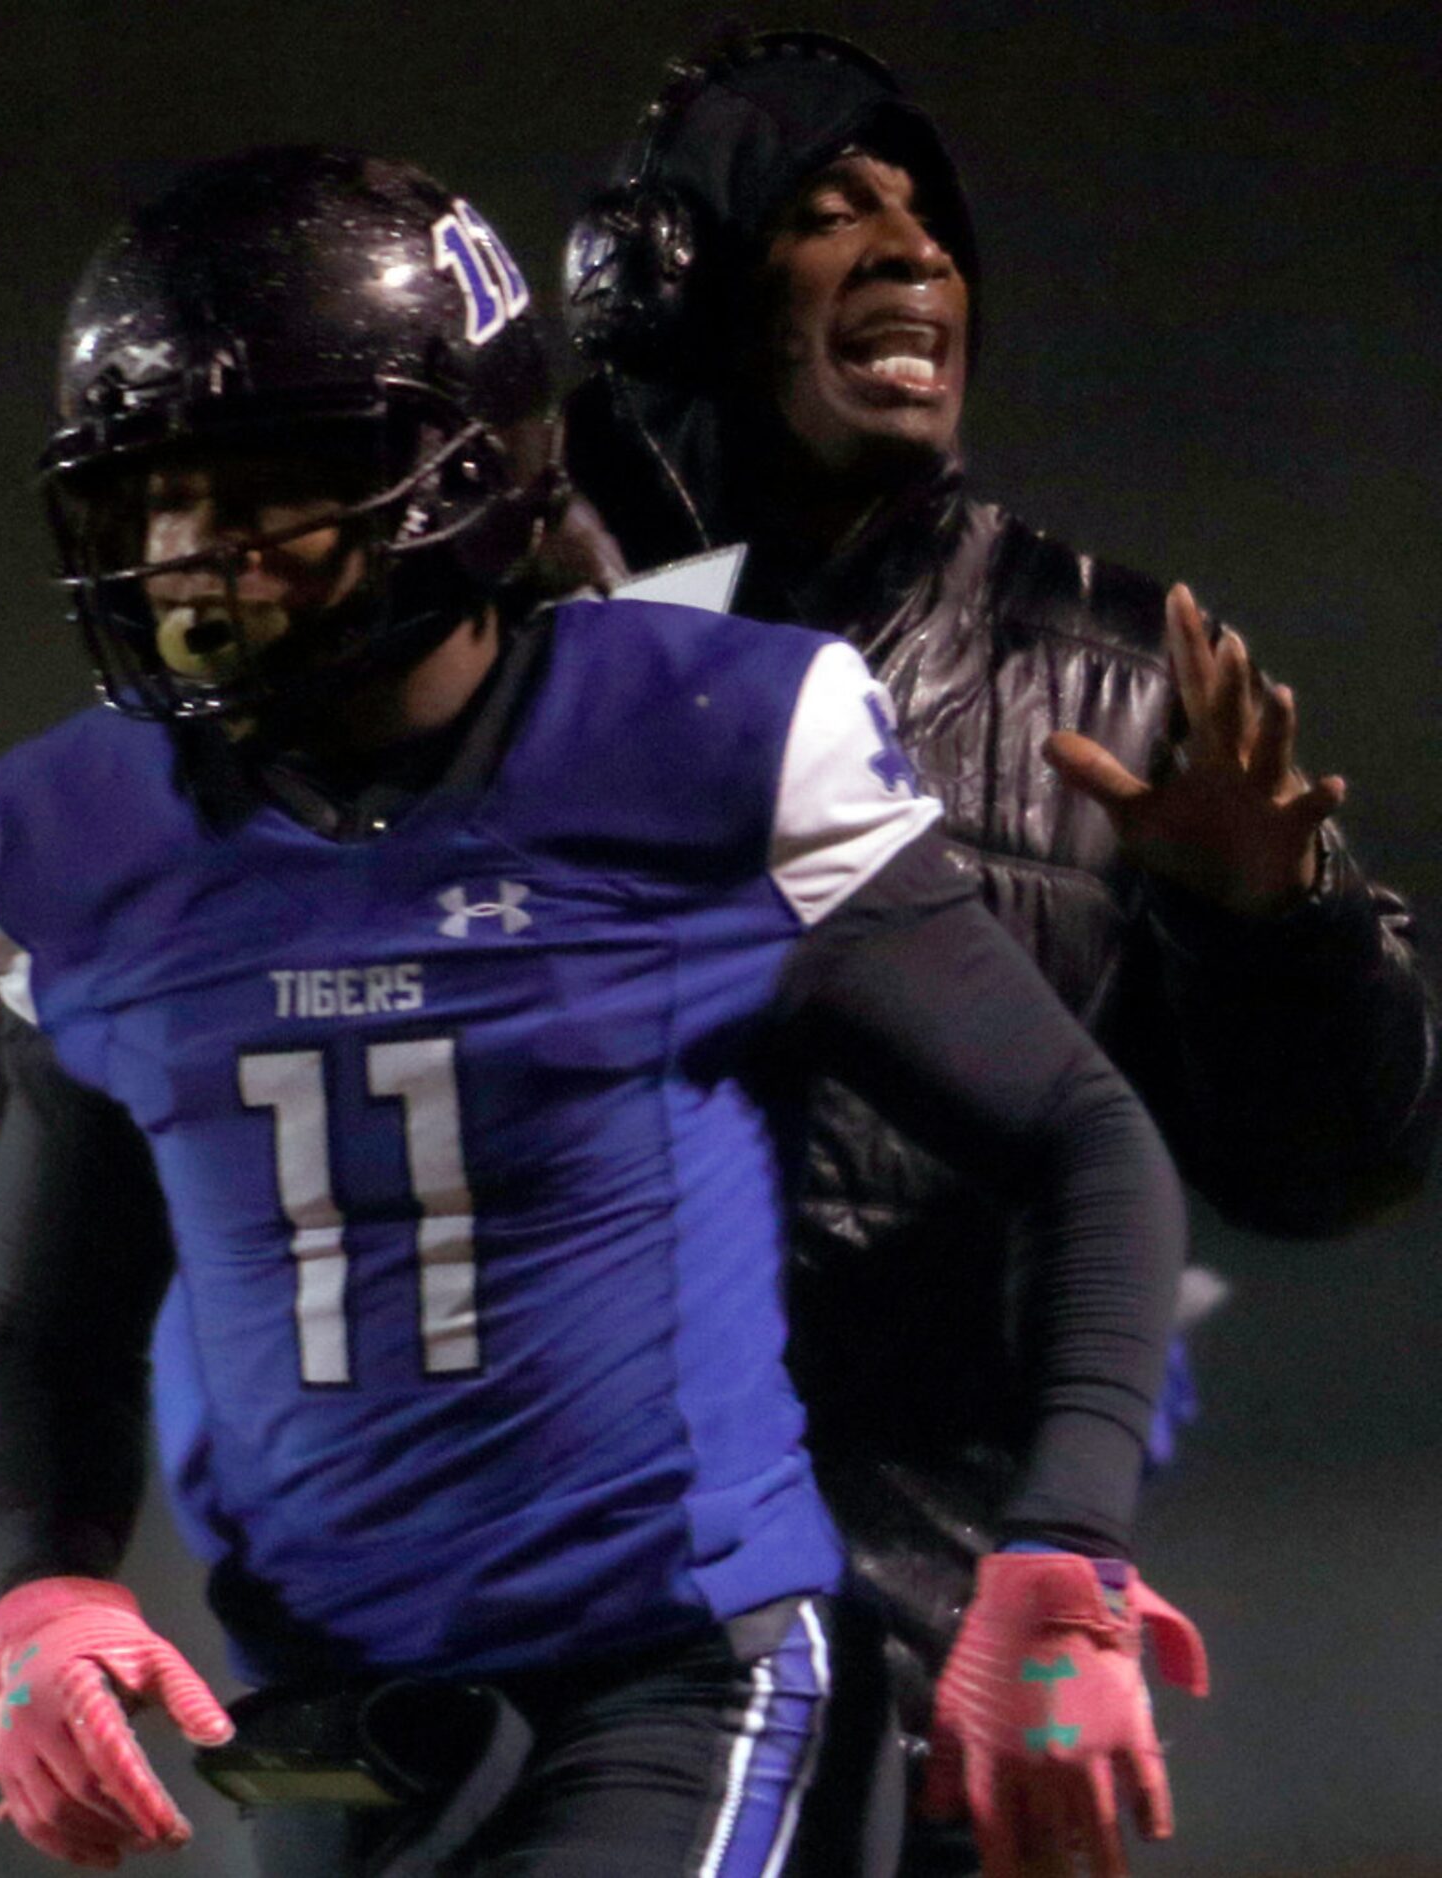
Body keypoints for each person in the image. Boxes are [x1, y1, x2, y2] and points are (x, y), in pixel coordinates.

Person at [0, 146, 1207, 1878]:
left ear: (450, 478)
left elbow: (1080, 1134)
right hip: (320, 1730)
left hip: (675, 1670)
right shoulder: (80, 832)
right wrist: (47, 1586)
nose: (191, 555)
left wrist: (1059, 1554)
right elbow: (49, 1315)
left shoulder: (693, 738)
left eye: (254, 491)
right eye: (156, 498)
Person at [562, 25, 1438, 1873]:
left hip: (945, 1656)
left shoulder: (1110, 671)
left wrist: (1275, 930)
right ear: (681, 285)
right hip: (563, 1645)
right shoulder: (512, 645)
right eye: (826, 207)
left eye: (929, 217)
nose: (912, 252)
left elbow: (1334, 1170)